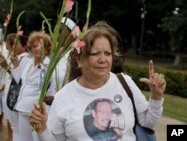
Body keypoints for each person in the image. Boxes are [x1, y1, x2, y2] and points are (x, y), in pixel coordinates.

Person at [29, 23, 166, 141]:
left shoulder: (125, 83)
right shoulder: (63, 97)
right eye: (95, 53)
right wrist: (42, 130)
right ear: (79, 60)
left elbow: (148, 123)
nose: (103, 59)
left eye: (107, 53)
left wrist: (156, 97)